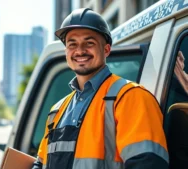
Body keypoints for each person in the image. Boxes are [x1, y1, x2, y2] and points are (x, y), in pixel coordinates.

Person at [31, 8, 169, 169]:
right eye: (72, 44)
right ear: (66, 51)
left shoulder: (131, 97)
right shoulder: (57, 111)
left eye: (89, 43)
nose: (80, 50)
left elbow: (147, 165)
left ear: (106, 50)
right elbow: (41, 163)